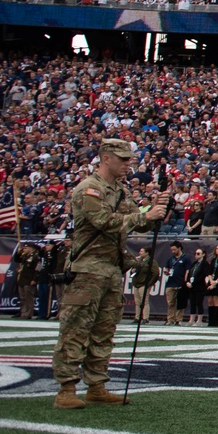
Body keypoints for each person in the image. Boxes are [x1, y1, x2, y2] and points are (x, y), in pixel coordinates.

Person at [51, 138, 166, 409]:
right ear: (105, 158)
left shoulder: (121, 192)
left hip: (112, 270)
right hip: (87, 270)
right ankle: (66, 389)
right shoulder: (90, 189)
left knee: (104, 331)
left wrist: (155, 210)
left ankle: (96, 385)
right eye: (123, 159)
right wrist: (144, 217)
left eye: (129, 159)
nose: (129, 164)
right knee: (75, 330)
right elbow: (104, 221)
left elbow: (137, 223)